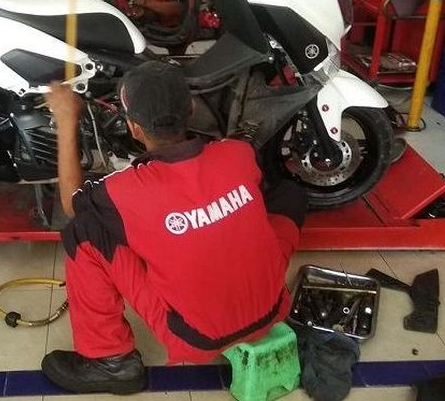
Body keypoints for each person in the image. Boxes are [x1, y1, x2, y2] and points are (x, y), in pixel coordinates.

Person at [41, 61, 306, 395]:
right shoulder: (238, 153)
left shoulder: (124, 192)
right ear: (191, 109)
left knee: (83, 231)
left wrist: (67, 120)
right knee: (290, 195)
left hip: (197, 339)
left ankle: (110, 362)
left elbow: (71, 204)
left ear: (133, 128)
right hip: (272, 309)